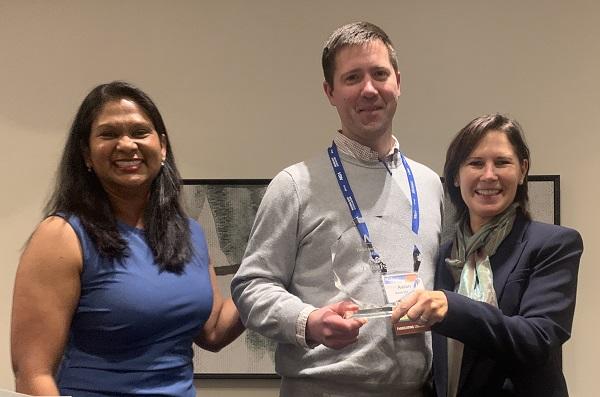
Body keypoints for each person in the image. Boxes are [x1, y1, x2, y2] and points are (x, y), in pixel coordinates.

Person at [231, 22, 443, 396]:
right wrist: (308, 321)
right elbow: (251, 287)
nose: (368, 89)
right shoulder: (294, 185)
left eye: (379, 74)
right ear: (330, 92)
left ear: (398, 81)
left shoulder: (430, 185)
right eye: (352, 78)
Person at [11, 81, 245, 396]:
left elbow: (213, 331)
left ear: (162, 147)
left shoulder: (190, 233)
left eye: (139, 132)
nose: (126, 145)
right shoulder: (61, 237)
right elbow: (33, 373)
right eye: (108, 134)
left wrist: (271, 274)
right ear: (86, 154)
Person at [392, 113, 583, 396]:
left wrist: (451, 307)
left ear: (522, 170)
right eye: (476, 163)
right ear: (456, 176)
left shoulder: (554, 244)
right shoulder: (445, 256)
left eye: (502, 162)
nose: (489, 175)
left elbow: (538, 339)